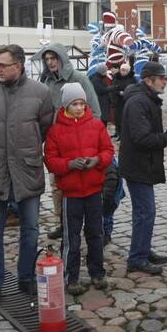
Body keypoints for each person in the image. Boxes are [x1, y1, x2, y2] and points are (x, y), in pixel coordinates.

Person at [0, 44, 54, 304]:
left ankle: (25, 277)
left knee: (31, 230)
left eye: (3, 65)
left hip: (27, 172)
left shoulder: (41, 92)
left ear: (19, 65)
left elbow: (46, 129)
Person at [44, 83, 113, 296]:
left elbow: (108, 151)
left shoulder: (96, 126)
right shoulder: (55, 131)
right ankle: (71, 277)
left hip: (93, 190)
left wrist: (96, 160)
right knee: (71, 237)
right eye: (75, 103)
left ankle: (97, 272)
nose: (79, 107)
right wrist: (69, 165)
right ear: (66, 105)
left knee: (95, 233)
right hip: (71, 193)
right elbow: (51, 160)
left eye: (82, 103)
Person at [39, 43, 99, 240]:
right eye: (47, 59)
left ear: (62, 59)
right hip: (56, 141)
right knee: (56, 185)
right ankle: (62, 223)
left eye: (53, 58)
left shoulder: (79, 79)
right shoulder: (45, 81)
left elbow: (95, 110)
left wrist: (93, 138)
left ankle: (91, 226)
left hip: (80, 139)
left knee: (84, 183)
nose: (50, 63)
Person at [119, 60, 167, 275]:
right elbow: (142, 138)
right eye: (161, 78)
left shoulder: (145, 99)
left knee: (144, 212)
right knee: (146, 212)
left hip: (141, 165)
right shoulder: (138, 102)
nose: (165, 82)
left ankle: (142, 249)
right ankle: (137, 258)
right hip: (137, 166)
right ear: (149, 80)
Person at [108, 62, 136, 137]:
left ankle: (124, 134)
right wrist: (118, 92)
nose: (122, 72)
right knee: (117, 118)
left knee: (126, 118)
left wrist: (126, 93)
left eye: (124, 70)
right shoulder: (117, 77)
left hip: (127, 100)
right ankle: (118, 133)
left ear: (128, 71)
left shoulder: (132, 78)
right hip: (118, 100)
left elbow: (134, 89)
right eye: (121, 70)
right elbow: (113, 88)